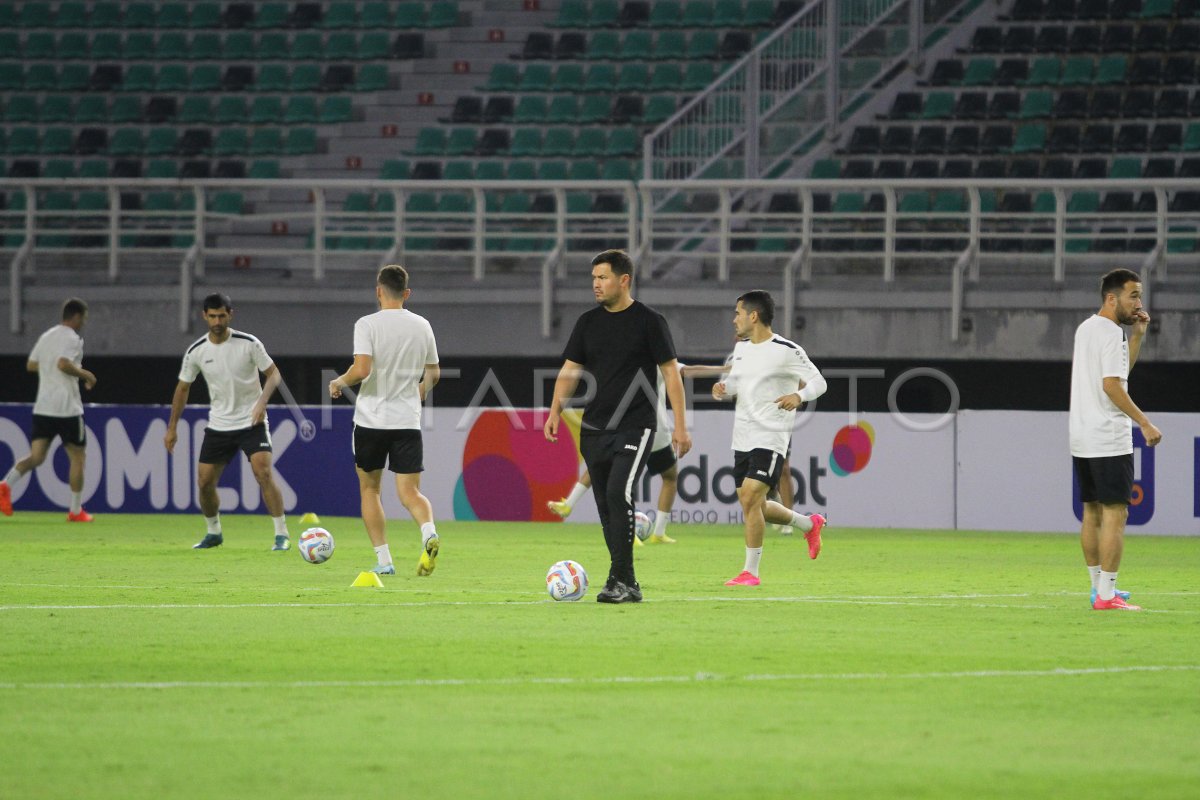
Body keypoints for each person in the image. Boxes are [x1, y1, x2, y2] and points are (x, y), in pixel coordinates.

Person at [544, 249, 692, 604]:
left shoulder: (649, 321)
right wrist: (553, 411)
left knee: (617, 494)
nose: (596, 284)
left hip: (635, 425)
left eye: (603, 277)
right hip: (594, 427)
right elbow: (570, 370)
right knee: (605, 506)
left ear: (624, 280)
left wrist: (681, 427)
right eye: (593, 277)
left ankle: (621, 580)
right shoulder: (587, 323)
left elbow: (671, 373)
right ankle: (625, 582)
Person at [329, 265, 441, 577]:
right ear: (407, 293)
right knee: (410, 493)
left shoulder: (367, 324)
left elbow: (362, 369)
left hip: (371, 421)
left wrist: (339, 382)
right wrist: (419, 390)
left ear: (378, 291)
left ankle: (384, 561)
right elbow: (434, 374)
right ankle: (428, 532)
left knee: (370, 490)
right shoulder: (422, 325)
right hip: (407, 421)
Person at [712, 290, 828, 587]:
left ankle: (750, 572)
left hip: (771, 434)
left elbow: (819, 381)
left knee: (751, 497)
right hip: (743, 436)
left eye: (738, 312)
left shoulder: (787, 350)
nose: (733, 319)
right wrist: (724, 389)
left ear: (754, 315)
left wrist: (798, 395)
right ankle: (808, 523)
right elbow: (736, 384)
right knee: (755, 505)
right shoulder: (742, 349)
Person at [164, 293, 292, 551]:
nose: (217, 320)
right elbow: (182, 389)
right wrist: (172, 428)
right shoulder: (197, 351)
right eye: (212, 316)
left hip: (251, 421)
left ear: (230, 314)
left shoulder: (248, 343)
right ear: (204, 316)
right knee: (204, 482)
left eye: (222, 315)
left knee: (263, 473)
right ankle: (214, 532)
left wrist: (261, 403)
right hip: (219, 425)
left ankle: (282, 534)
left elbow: (274, 374)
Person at [1069, 268, 1162, 611]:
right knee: (1115, 514)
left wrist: (1137, 335)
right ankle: (1107, 596)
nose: (1139, 302)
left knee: (1091, 512)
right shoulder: (1110, 333)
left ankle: (1099, 589)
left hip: (1081, 434)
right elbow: (1112, 386)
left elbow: (1117, 374)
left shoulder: (1087, 329)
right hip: (1108, 435)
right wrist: (1144, 422)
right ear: (1112, 298)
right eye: (1133, 295)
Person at [547, 362, 718, 544]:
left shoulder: (625, 364)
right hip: (654, 429)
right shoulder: (661, 362)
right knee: (667, 477)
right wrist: (722, 369)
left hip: (625, 427)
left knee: (607, 468)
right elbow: (688, 371)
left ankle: (569, 504)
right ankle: (657, 533)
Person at [0, 298, 97, 520]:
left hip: (44, 406)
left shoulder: (47, 336)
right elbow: (63, 363)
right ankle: (75, 511)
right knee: (78, 457)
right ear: (77, 317)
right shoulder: (72, 338)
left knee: (36, 456)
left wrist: (50, 370)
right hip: (67, 407)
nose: (84, 322)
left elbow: (31, 364)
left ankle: (5, 484)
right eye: (84, 318)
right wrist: (86, 375)